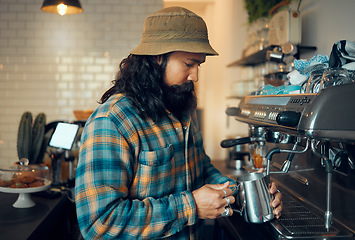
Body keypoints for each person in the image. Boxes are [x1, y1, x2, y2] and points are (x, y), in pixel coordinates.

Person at [75, 6, 282, 239]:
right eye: (188, 64)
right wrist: (191, 206)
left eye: (198, 66)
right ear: (157, 58)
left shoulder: (182, 109)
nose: (195, 76)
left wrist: (246, 193)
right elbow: (99, 223)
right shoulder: (112, 121)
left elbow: (200, 169)